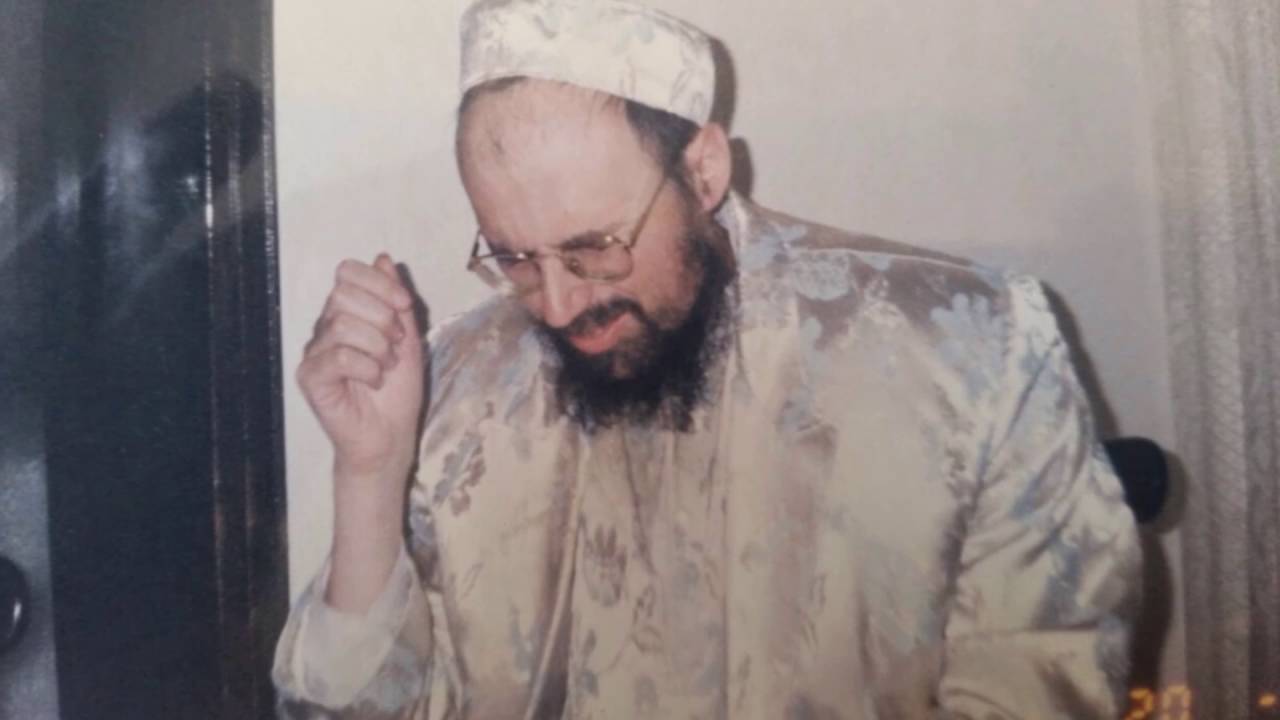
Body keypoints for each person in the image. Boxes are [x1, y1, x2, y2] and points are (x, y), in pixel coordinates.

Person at [272, 1, 1141, 717]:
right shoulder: (459, 383)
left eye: (594, 247)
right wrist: (369, 472)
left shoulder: (971, 351)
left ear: (705, 170)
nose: (559, 305)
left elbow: (1047, 683)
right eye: (514, 257)